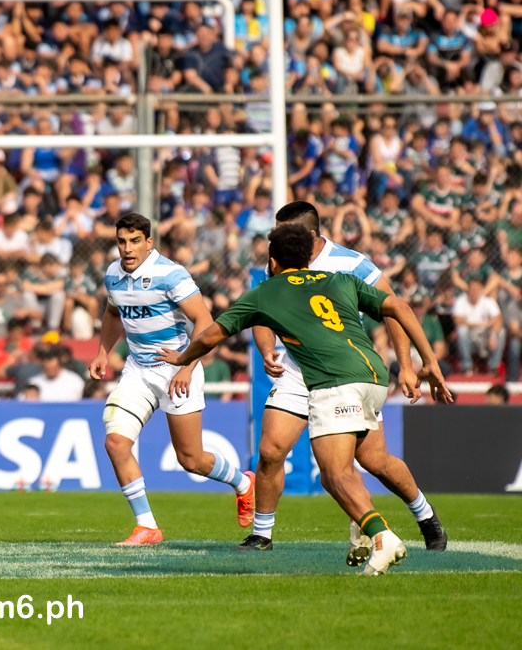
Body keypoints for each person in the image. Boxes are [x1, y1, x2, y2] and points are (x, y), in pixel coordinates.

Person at [160, 224, 453, 575]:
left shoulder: (267, 290)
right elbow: (400, 308)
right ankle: (267, 534)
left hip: (332, 380)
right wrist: (428, 363)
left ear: (273, 261)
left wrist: (183, 358)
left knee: (334, 473)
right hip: (370, 374)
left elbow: (211, 335)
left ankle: (382, 535)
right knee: (283, 452)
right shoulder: (338, 279)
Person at [239, 202, 448, 559]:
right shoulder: (278, 260)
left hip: (343, 372)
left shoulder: (352, 264)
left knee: (375, 461)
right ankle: (262, 534)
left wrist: (408, 364)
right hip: (296, 371)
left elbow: (393, 309)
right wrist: (266, 348)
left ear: (308, 236)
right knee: (271, 451)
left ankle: (425, 516)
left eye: (282, 233)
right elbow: (263, 308)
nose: (275, 240)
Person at [89, 213, 255, 546]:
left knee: (191, 459)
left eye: (135, 241)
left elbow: (205, 321)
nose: (127, 249)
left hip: (177, 369)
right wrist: (103, 352)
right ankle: (147, 526)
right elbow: (112, 313)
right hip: (137, 371)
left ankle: (243, 483)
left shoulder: (170, 274)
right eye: (121, 241)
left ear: (149, 242)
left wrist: (186, 366)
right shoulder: (112, 274)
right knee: (115, 443)